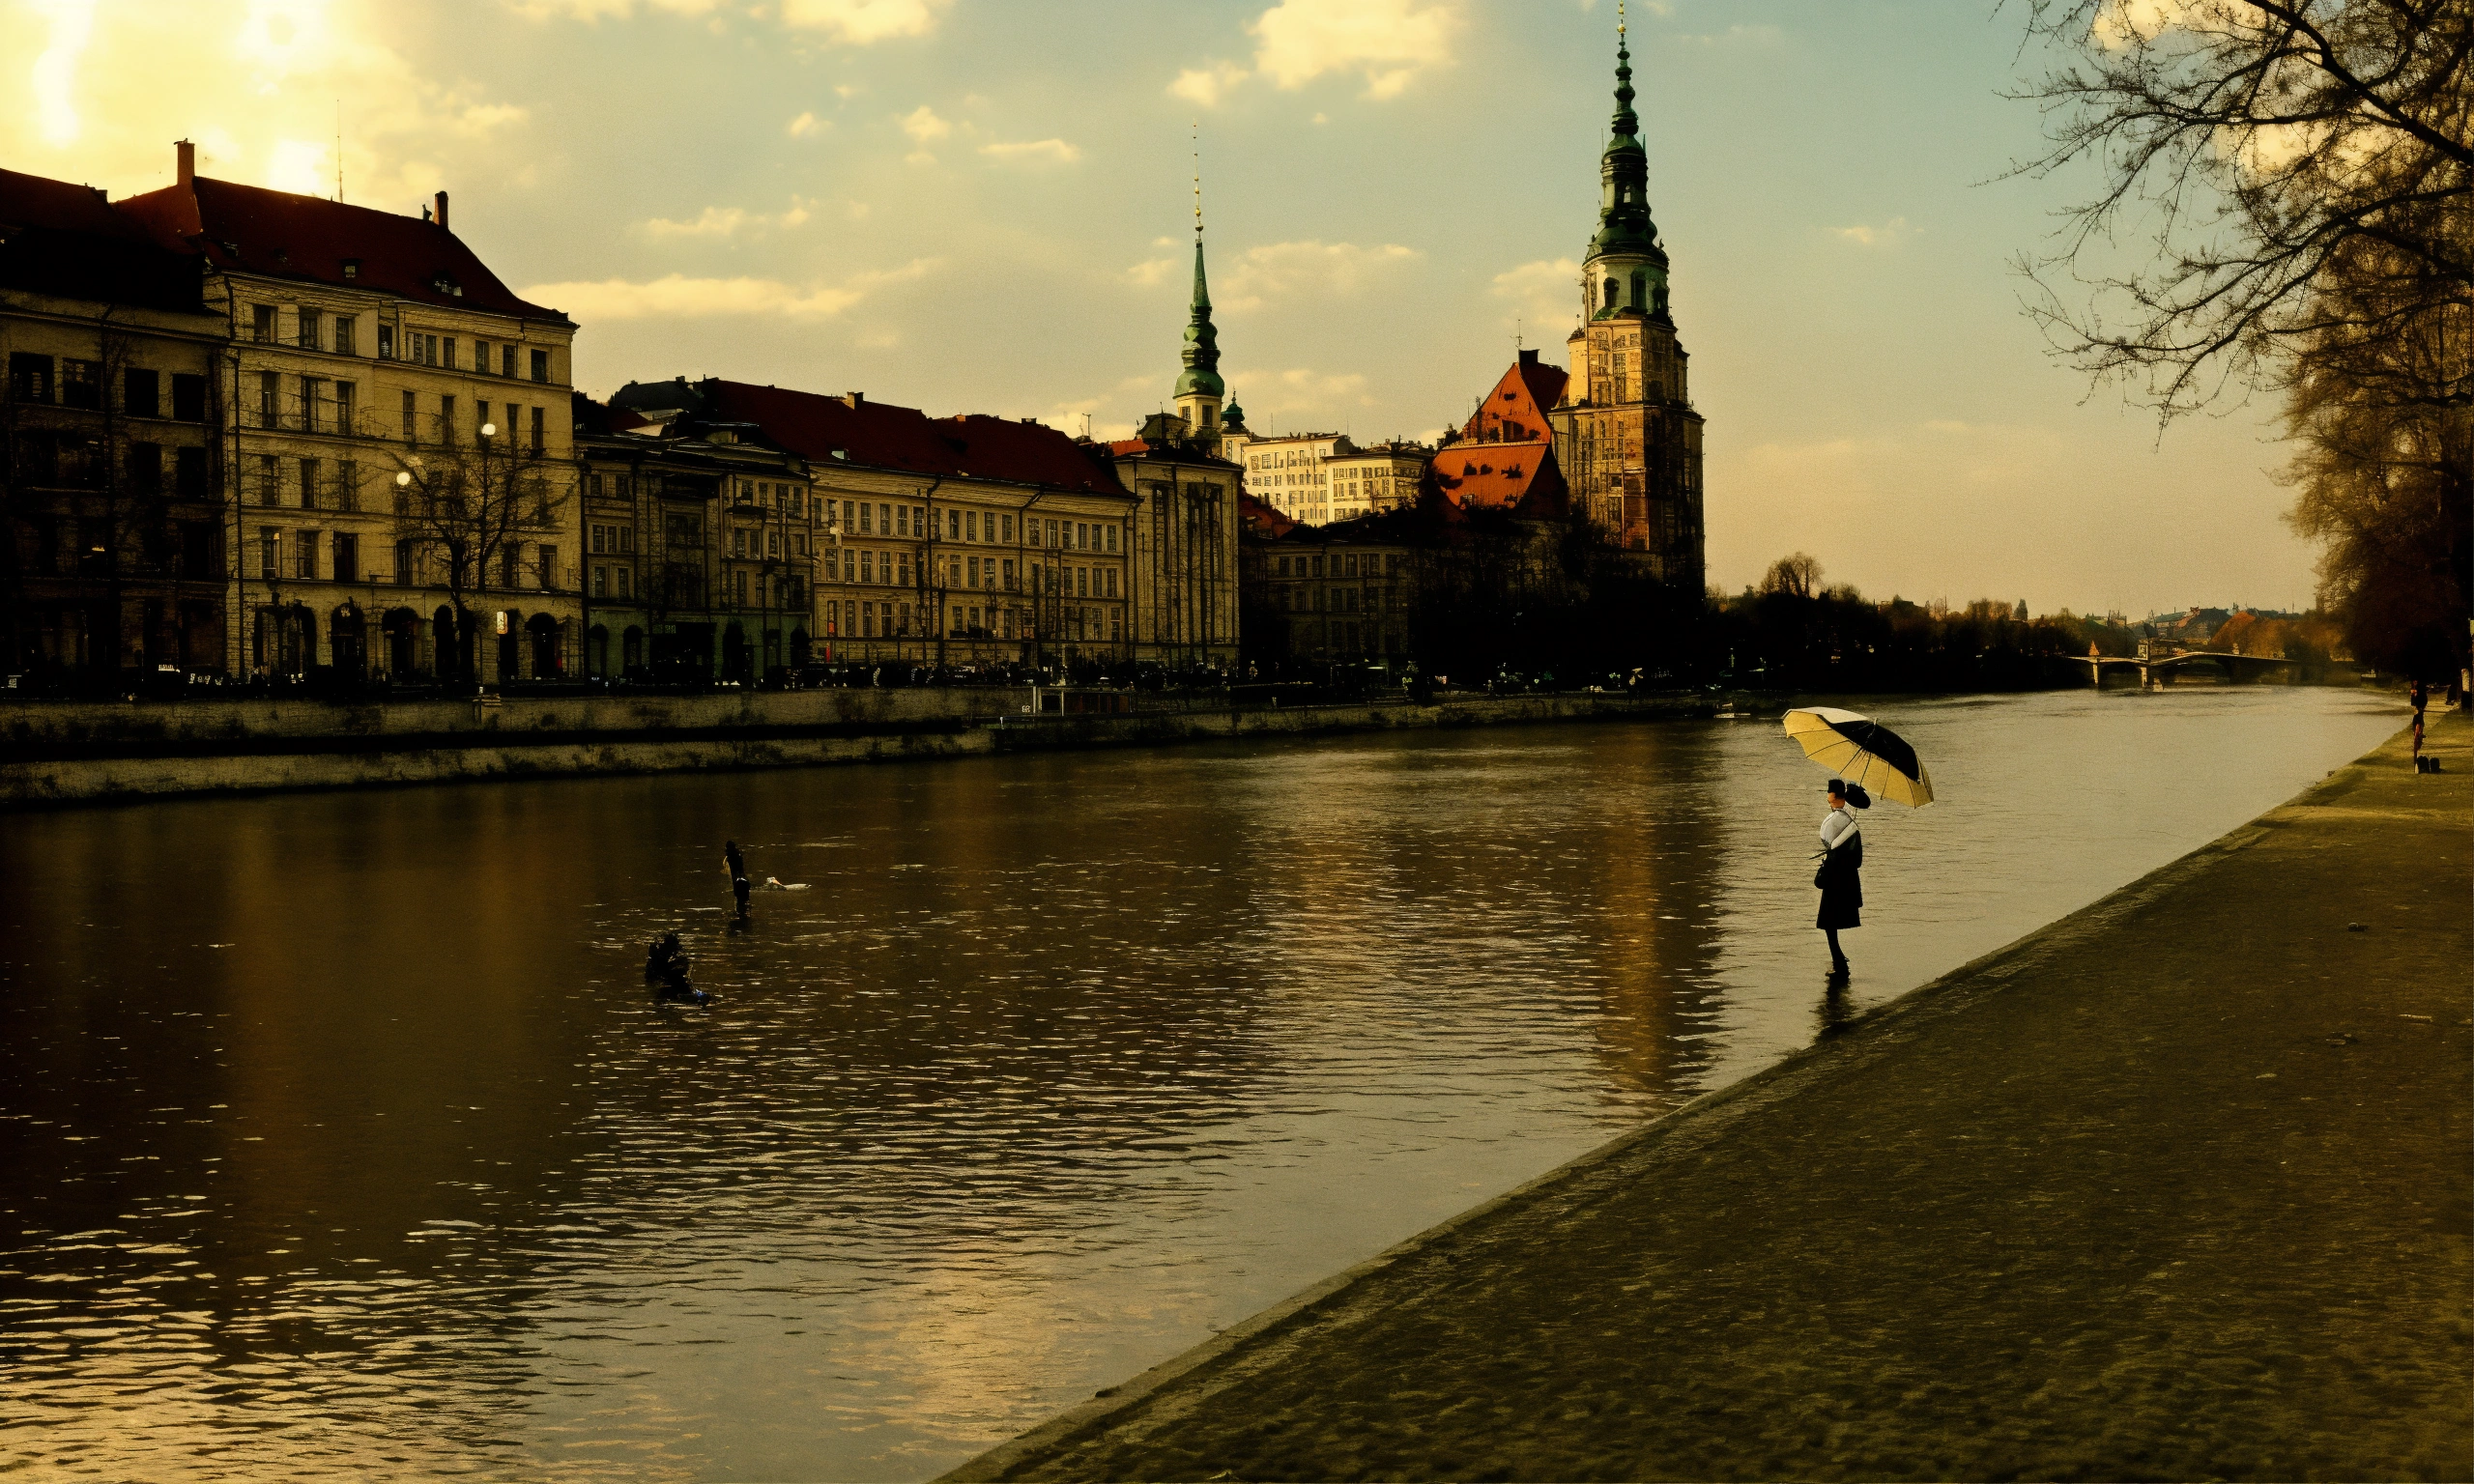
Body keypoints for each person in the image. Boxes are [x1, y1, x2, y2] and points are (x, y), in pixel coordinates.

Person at [1815, 778, 1866, 978]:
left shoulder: (1834, 820)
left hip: (1835, 878)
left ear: (1834, 796)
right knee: (1830, 922)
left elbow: (1828, 844)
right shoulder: (1849, 820)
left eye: (1828, 793)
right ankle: (1839, 960)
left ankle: (1840, 964)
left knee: (1828, 922)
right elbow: (1856, 858)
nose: (1827, 797)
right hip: (1846, 878)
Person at [724, 839, 751, 916]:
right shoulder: (737, 854)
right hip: (739, 875)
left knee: (739, 894)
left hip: (737, 876)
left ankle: (740, 908)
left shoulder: (731, 855)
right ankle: (742, 907)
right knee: (740, 895)